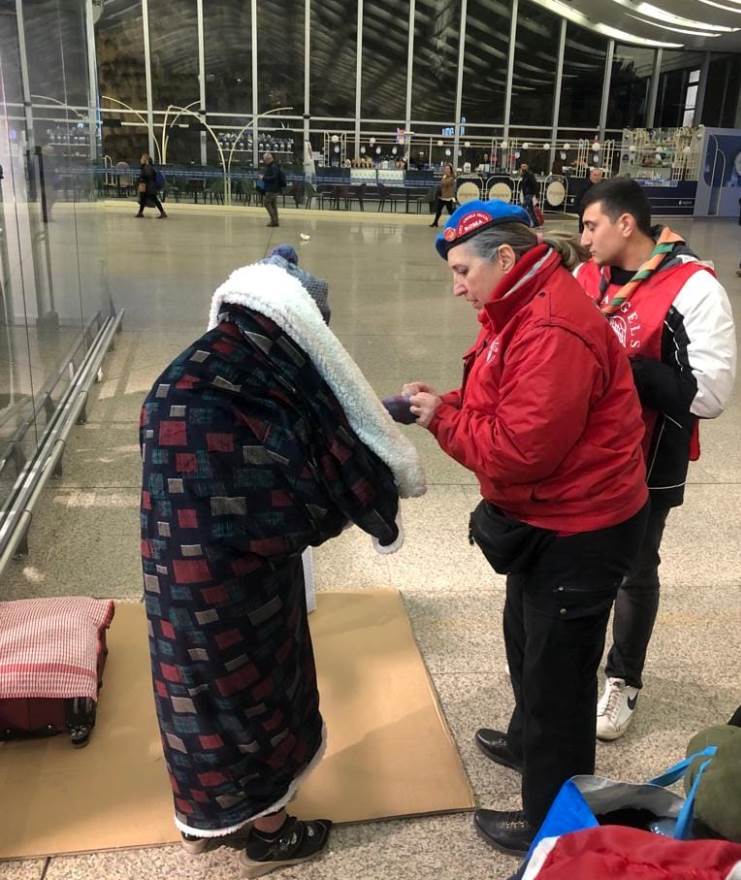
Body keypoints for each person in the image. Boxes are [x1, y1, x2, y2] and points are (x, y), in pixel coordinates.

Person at [140, 250, 425, 875]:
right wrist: (361, 481)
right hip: (233, 586)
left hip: (177, 577)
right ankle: (267, 831)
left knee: (193, 693)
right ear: (294, 323)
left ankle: (205, 819)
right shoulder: (225, 396)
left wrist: (379, 413)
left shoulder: (206, 370)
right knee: (250, 693)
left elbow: (293, 420)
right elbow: (289, 496)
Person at [403, 199, 649, 854]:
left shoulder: (549, 328)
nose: (455, 286)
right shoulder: (515, 308)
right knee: (526, 637)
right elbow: (499, 401)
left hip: (580, 528)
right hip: (546, 516)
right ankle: (526, 744)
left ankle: (552, 826)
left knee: (558, 684)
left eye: (461, 271)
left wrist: (441, 422)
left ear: (503, 259)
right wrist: (447, 403)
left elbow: (519, 450)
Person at [577, 177, 736, 741]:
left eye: (591, 225)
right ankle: (571, 672)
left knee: (635, 569)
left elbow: (711, 394)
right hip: (586, 453)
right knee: (578, 565)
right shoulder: (588, 275)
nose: (584, 237)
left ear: (626, 224)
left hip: (650, 457)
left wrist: (625, 369)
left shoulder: (692, 286)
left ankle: (624, 680)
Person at [136, 153, 167, 219]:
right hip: (148, 186)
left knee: (153, 199)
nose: (140, 160)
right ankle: (140, 213)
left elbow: (147, 176)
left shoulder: (147, 167)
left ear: (145, 160)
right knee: (143, 199)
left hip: (149, 187)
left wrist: (142, 180)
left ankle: (162, 212)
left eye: (142, 159)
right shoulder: (146, 167)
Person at [575, 167, 604, 233]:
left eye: (598, 175)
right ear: (591, 175)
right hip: (585, 215)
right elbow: (577, 201)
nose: (596, 177)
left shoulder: (603, 187)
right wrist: (581, 212)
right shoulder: (584, 187)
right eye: (595, 175)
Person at [429, 163, 457, 227]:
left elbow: (445, 183)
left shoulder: (452, 177)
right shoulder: (445, 176)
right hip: (442, 196)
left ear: (450, 170)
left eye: (448, 169)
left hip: (448, 197)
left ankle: (456, 221)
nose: (446, 170)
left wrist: (443, 179)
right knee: (438, 210)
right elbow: (441, 184)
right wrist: (443, 179)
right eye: (445, 169)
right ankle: (435, 222)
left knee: (451, 212)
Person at [261, 152, 284, 227]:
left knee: (266, 203)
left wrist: (263, 178)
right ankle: (275, 221)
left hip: (272, 189)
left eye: (265, 160)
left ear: (268, 159)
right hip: (274, 188)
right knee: (273, 205)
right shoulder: (274, 166)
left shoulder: (273, 167)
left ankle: (273, 220)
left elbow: (274, 178)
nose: (264, 161)